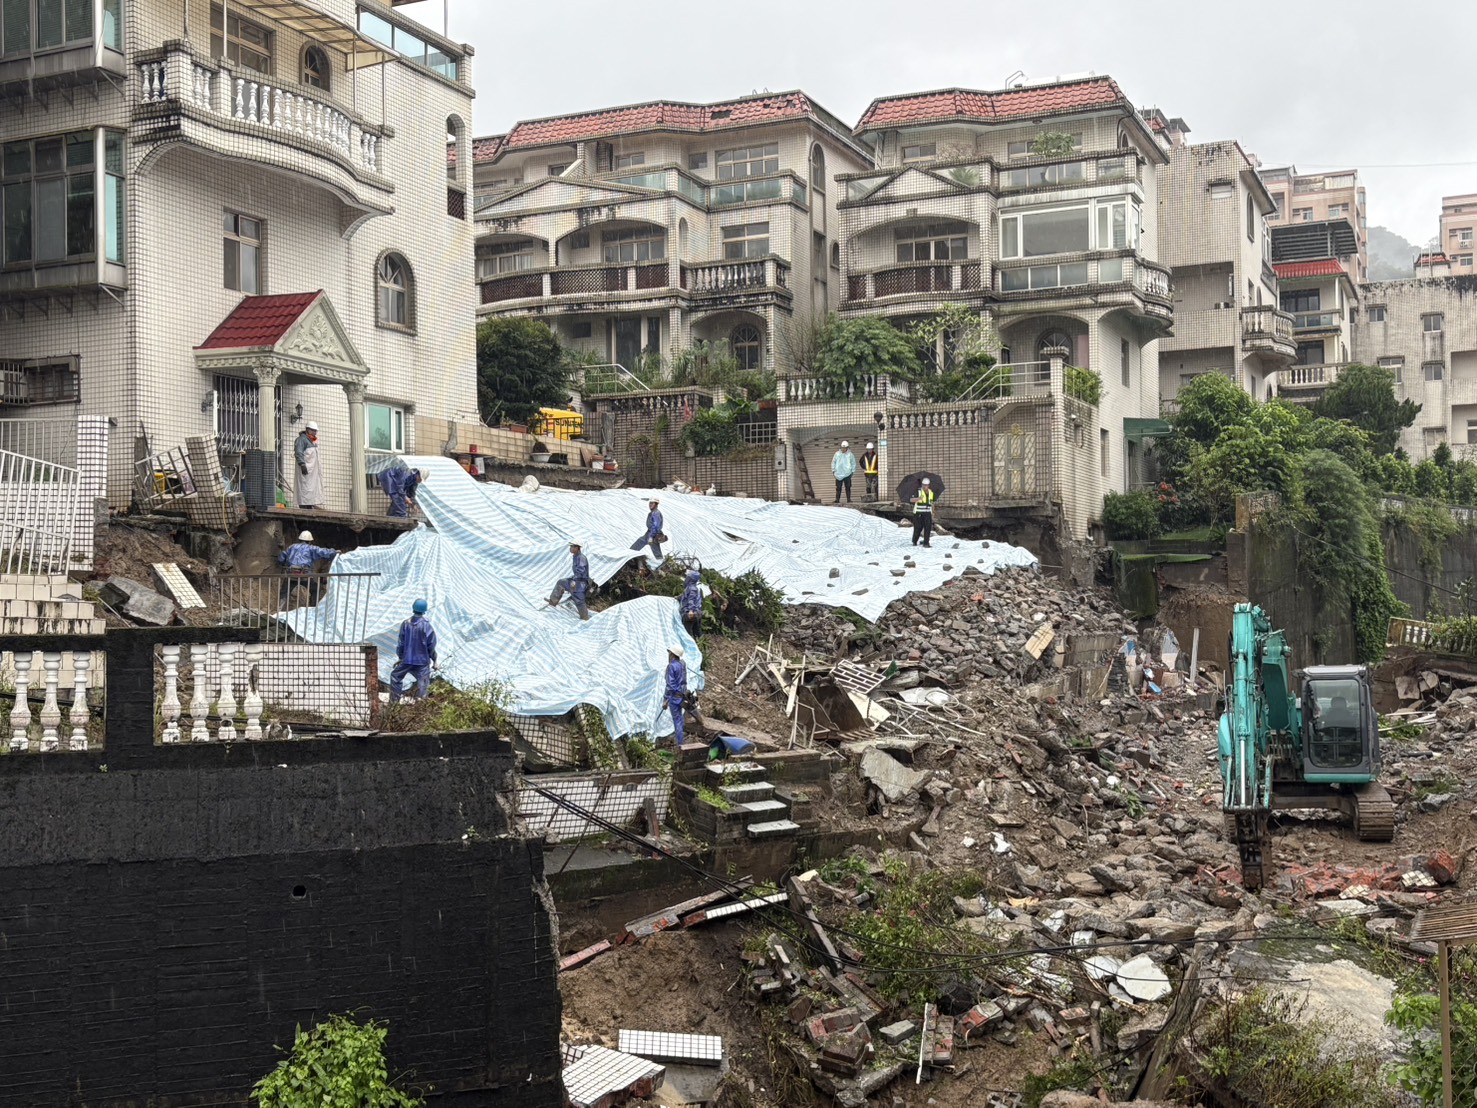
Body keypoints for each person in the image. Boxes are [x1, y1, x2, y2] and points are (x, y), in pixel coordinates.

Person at [389, 598, 438, 703]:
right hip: (422, 662)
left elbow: (401, 643)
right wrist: (434, 659)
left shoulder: (406, 624)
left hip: (407, 660)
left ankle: (394, 702)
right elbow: (431, 645)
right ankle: (422, 706)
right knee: (423, 684)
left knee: (395, 676)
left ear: (413, 608)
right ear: (424, 610)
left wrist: (401, 658)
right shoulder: (427, 626)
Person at [278, 529, 336, 605]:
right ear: (310, 541)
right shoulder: (311, 548)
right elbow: (324, 552)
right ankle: (312, 608)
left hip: (291, 574)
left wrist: (282, 563)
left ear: (300, 539)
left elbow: (282, 558)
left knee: (284, 592)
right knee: (315, 589)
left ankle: (279, 609)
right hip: (305, 574)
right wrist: (334, 552)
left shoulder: (291, 547)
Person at [547, 541, 591, 620]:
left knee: (579, 599)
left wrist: (574, 581)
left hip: (580, 583)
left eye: (572, 547)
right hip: (577, 580)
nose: (570, 548)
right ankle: (552, 601)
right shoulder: (576, 556)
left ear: (576, 548)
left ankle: (585, 618)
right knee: (561, 582)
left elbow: (580, 571)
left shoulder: (581, 558)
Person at [659, 645, 688, 746]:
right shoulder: (683, 664)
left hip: (674, 697)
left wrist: (665, 700)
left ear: (672, 655)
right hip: (683, 695)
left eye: (669, 653)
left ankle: (680, 744)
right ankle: (680, 738)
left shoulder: (671, 666)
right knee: (680, 717)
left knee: (677, 719)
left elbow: (670, 685)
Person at [294, 421, 324, 510]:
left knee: (311, 490)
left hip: (313, 473)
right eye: (313, 430)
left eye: (315, 431)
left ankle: (309, 506)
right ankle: (303, 507)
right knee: (304, 489)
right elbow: (298, 452)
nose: (314, 432)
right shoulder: (301, 440)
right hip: (305, 470)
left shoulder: (313, 441)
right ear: (307, 430)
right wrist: (302, 464)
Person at [911, 477, 936, 548]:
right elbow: (911, 500)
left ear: (928, 485)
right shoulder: (918, 491)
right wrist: (918, 499)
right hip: (918, 513)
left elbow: (932, 502)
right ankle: (914, 540)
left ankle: (926, 543)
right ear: (922, 485)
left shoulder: (931, 493)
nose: (925, 486)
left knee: (928, 527)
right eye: (923, 485)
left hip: (927, 513)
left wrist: (933, 511)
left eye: (926, 485)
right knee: (918, 528)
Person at [679, 569, 703, 636]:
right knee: (697, 631)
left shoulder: (691, 588)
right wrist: (678, 597)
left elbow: (691, 599)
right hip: (697, 612)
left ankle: (689, 645)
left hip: (691, 613)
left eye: (688, 577)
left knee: (687, 633)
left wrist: (690, 610)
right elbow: (685, 596)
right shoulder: (693, 588)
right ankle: (699, 643)